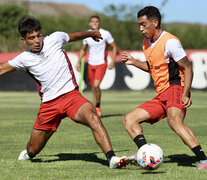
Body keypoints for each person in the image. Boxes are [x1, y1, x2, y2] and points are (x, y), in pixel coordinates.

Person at [0, 16, 127, 169]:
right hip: (49, 105)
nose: (37, 40)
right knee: (34, 149)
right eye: (31, 38)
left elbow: (75, 36)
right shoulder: (24, 58)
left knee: (93, 116)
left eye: (39, 35)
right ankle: (28, 153)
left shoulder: (55, 38)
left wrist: (92, 33)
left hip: (71, 97)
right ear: (23, 40)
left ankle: (111, 158)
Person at [121, 6, 207, 170]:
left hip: (175, 88)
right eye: (139, 25)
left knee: (174, 121)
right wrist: (133, 61)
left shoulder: (170, 42)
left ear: (155, 22)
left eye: (143, 24)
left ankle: (204, 159)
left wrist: (186, 93)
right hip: (160, 95)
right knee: (129, 119)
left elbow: (188, 68)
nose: (141, 29)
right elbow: (152, 67)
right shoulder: (146, 43)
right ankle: (145, 153)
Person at [76, 15, 117, 117]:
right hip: (91, 64)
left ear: (99, 23)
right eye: (92, 21)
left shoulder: (105, 33)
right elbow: (83, 49)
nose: (94, 23)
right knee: (93, 88)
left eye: (97, 21)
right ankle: (95, 107)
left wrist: (112, 61)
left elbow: (114, 47)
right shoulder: (87, 35)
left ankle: (98, 106)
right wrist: (78, 61)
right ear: (90, 23)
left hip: (102, 63)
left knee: (96, 85)